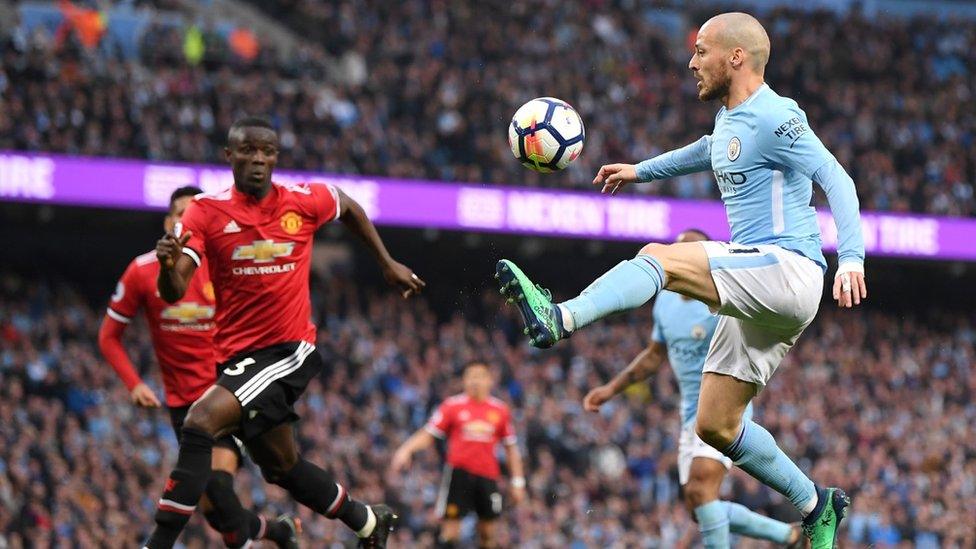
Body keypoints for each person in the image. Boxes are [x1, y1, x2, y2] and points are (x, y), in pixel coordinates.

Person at [496, 12, 866, 549]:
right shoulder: (730, 121)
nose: (692, 63)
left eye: (701, 52)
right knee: (715, 426)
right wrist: (639, 171)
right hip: (761, 289)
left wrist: (851, 257)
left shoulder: (777, 116)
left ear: (735, 57)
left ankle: (562, 315)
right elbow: (705, 150)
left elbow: (836, 176)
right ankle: (815, 503)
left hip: (787, 267)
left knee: (661, 258)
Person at [143, 116, 426, 549]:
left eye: (266, 151)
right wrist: (166, 265)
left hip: (287, 350)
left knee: (199, 423)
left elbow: (347, 205)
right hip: (237, 356)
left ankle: (156, 544)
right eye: (248, 150)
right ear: (229, 155)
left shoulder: (302, 200)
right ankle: (368, 521)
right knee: (281, 467)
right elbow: (175, 289)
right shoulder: (205, 211)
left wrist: (386, 263)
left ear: (275, 157)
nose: (258, 159)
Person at [98, 185, 300, 548]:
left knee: (219, 488)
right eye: (179, 213)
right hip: (182, 406)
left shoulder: (227, 266)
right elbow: (109, 336)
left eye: (194, 212)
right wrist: (133, 384)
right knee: (216, 514)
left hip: (226, 395)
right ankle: (276, 531)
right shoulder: (142, 272)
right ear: (167, 222)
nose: (186, 220)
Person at [583, 229, 804, 548]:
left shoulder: (723, 298)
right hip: (690, 414)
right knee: (697, 507)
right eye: (678, 248)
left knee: (702, 491)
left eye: (691, 250)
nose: (682, 255)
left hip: (723, 406)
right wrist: (610, 389)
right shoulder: (664, 302)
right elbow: (653, 355)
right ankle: (790, 536)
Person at [391, 361, 526, 549]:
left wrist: (518, 482)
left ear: (489, 380)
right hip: (458, 475)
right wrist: (406, 449)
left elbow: (511, 448)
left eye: (479, 376)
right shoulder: (452, 406)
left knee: (488, 533)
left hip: (487, 476)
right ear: (464, 381)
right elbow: (429, 433)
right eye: (470, 376)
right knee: (450, 531)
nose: (474, 381)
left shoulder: (500, 410)